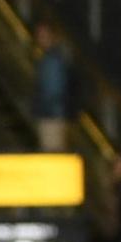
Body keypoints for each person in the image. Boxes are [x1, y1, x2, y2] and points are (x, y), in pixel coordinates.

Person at [32, 21, 76, 152]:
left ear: (51, 35)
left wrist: (41, 107)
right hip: (57, 114)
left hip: (51, 116)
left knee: (52, 151)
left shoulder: (52, 59)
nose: (40, 40)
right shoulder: (59, 56)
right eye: (39, 36)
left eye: (43, 36)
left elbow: (52, 90)